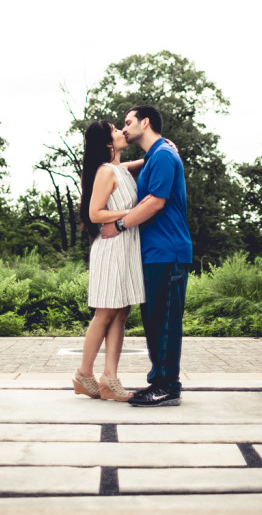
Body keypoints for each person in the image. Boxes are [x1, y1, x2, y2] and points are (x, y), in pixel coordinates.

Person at [101, 104, 192, 407]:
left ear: (146, 122)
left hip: (169, 251)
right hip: (154, 254)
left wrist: (120, 224)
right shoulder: (157, 156)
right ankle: (159, 381)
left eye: (128, 123)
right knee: (154, 319)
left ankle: (168, 385)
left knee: (165, 320)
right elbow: (120, 170)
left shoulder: (164, 156)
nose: (124, 129)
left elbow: (155, 203)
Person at [73, 119, 152, 402]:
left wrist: (156, 151)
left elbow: (132, 166)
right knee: (105, 313)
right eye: (116, 130)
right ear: (108, 143)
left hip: (124, 245)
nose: (122, 132)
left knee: (121, 312)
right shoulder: (106, 172)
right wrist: (129, 214)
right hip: (110, 246)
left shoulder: (118, 168)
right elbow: (94, 214)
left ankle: (109, 379)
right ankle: (84, 374)